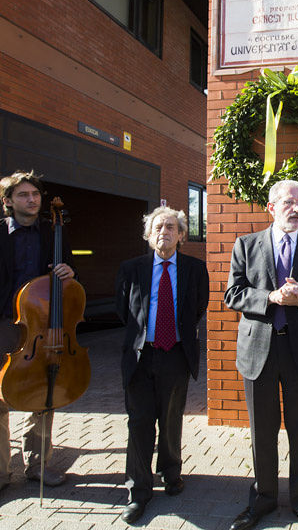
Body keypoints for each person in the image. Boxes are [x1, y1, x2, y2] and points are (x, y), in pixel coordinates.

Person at [224, 180, 298, 530]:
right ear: (271, 207)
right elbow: (233, 294)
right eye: (290, 203)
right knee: (263, 432)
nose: (297, 209)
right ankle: (263, 499)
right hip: (258, 352)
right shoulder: (246, 244)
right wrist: (270, 298)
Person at [0, 170, 76, 511]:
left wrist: (70, 273)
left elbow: (67, 277)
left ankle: (38, 465)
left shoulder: (52, 230)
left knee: (44, 396)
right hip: (0, 327)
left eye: (35, 194)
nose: (32, 199)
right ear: (8, 201)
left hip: (42, 328)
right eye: (24, 195)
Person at [115, 206, 209, 525]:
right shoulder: (131, 269)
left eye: (170, 227)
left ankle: (171, 473)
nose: (163, 232)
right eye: (158, 226)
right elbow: (123, 312)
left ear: (181, 235)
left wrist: (174, 333)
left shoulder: (195, 269)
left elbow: (198, 307)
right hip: (141, 355)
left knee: (171, 421)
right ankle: (138, 492)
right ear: (148, 233)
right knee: (139, 422)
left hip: (175, 355)